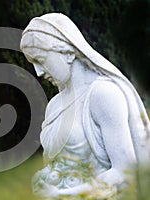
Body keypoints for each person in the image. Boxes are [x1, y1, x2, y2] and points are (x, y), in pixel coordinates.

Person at [20, 13, 150, 198]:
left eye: (40, 60)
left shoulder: (103, 94)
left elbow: (125, 171)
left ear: (67, 52)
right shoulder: (54, 105)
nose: (39, 72)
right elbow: (56, 165)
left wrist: (65, 195)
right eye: (33, 64)